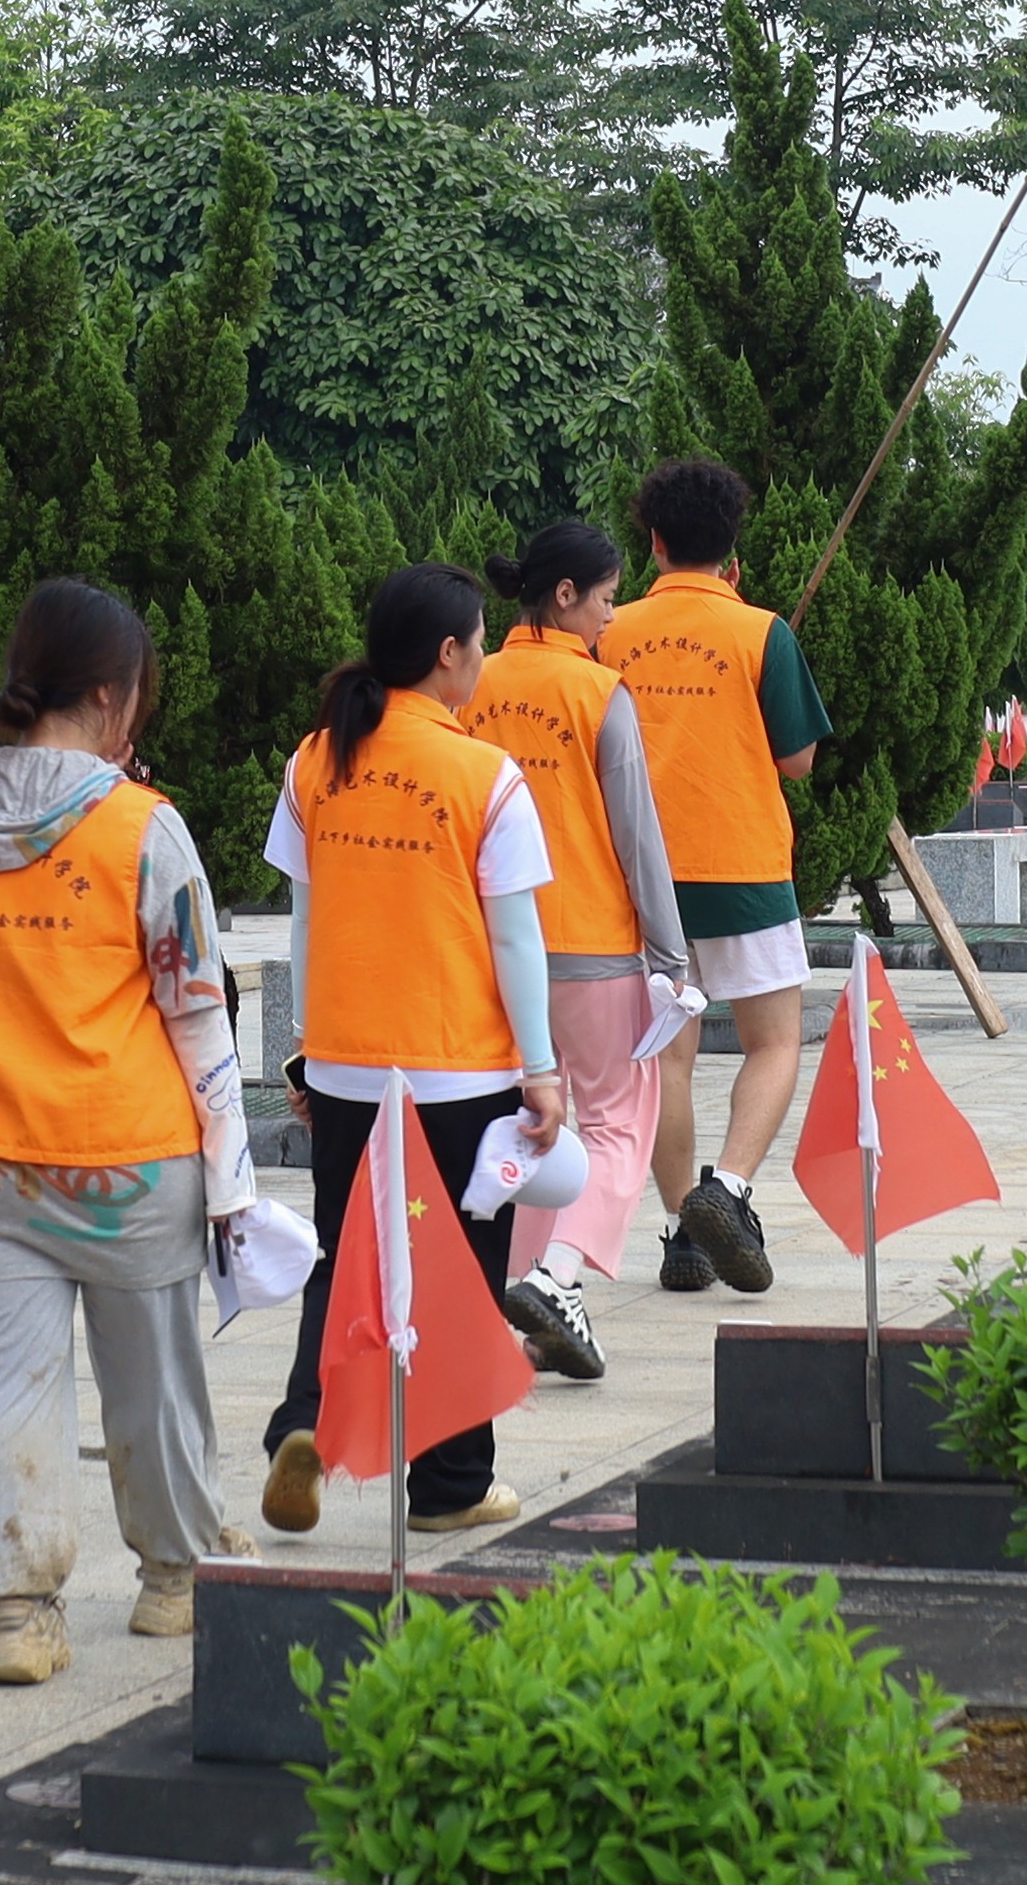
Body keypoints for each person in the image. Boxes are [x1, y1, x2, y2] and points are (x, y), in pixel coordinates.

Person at [0, 580, 258, 1685]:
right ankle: (176, 1578)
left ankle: (16, 1612)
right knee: (152, 1387)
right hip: (126, 1157)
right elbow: (196, 1011)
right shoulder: (141, 828)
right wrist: (232, 1180)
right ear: (111, 698)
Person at [259, 561, 563, 1535]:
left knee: (342, 1254)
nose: (480, 659)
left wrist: (304, 1048)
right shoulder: (485, 776)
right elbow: (514, 940)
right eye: (477, 643)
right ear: (446, 655)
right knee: (458, 1271)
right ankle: (448, 1486)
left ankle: (302, 1422)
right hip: (456, 1072)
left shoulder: (315, 761)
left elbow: (304, 919)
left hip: (346, 1065)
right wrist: (540, 1069)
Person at [598, 458, 832, 1295]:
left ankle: (680, 1236)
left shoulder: (608, 632)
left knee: (667, 1061)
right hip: (741, 867)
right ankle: (726, 1189)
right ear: (733, 550)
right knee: (774, 1042)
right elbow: (798, 760)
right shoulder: (762, 632)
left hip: (635, 879)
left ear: (653, 543)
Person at [467, 523, 687, 1381]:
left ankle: (529, 1301)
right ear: (564, 596)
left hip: (493, 943)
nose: (610, 615)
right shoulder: (597, 691)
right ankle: (558, 1276)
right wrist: (669, 953)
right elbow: (638, 835)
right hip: (590, 940)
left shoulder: (472, 681)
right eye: (604, 598)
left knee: (536, 1120)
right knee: (618, 1120)